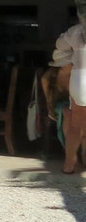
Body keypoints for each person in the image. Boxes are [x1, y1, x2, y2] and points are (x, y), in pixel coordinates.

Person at [41, 20, 86, 173]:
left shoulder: (77, 29)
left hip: (81, 76)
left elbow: (60, 45)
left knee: (76, 124)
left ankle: (69, 164)